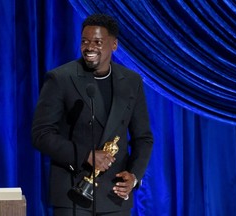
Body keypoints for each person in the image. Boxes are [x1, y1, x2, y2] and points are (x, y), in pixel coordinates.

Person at [32, 14, 153, 216]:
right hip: (72, 193)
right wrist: (86, 155)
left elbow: (143, 138)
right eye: (85, 41)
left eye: (98, 42)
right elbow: (41, 134)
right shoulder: (61, 78)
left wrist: (134, 176)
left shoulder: (132, 82)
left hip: (115, 196)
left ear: (114, 45)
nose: (89, 47)